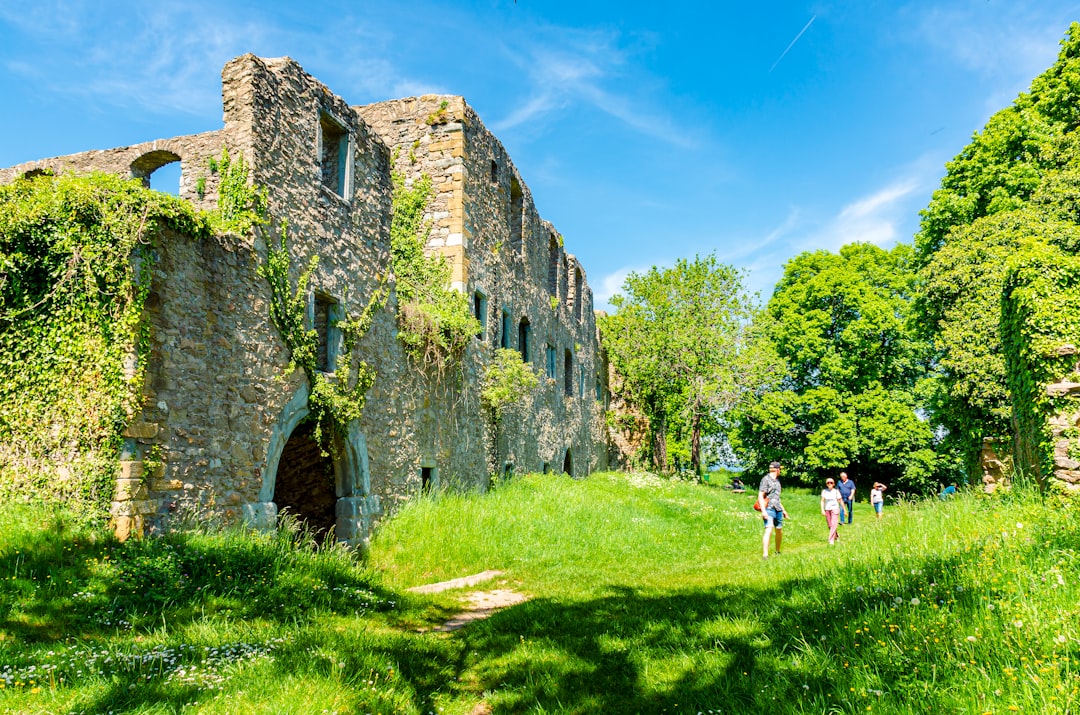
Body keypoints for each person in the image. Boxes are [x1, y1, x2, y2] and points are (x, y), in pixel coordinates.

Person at [758, 461, 788, 559]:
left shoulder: (778, 482)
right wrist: (763, 511)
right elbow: (760, 496)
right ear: (777, 469)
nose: (780, 471)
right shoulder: (765, 480)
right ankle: (765, 554)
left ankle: (777, 551)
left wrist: (783, 510)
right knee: (769, 529)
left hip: (778, 509)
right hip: (769, 508)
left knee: (779, 530)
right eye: (780, 469)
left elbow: (777, 498)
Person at [820, 477, 846, 544]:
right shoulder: (824, 491)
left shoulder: (836, 491)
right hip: (827, 509)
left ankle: (831, 540)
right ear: (826, 484)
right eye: (828, 483)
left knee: (833, 524)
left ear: (834, 484)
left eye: (831, 482)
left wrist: (844, 510)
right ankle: (836, 536)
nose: (829, 484)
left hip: (835, 509)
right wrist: (822, 510)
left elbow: (840, 500)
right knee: (830, 525)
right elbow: (822, 501)